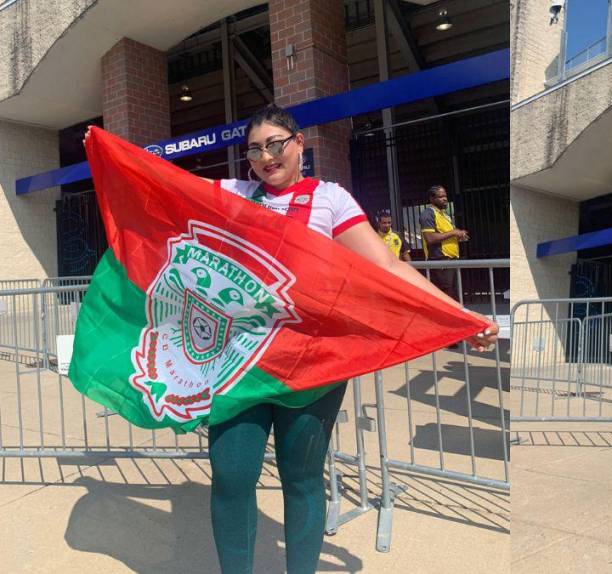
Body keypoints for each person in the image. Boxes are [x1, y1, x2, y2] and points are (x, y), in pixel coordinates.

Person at [88, 105, 497, 574]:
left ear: (299, 144)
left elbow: (387, 267)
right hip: (238, 365)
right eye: (256, 149)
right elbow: (159, 185)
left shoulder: (331, 200)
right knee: (232, 476)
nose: (266, 156)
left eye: (276, 143)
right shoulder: (233, 195)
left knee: (301, 479)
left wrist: (459, 313)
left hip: (309, 369)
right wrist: (107, 148)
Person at [419, 185, 467, 302]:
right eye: (440, 196)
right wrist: (453, 232)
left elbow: (446, 235)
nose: (444, 198)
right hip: (440, 260)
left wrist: (458, 236)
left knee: (454, 293)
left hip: (452, 260)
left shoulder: (445, 216)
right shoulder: (428, 214)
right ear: (432, 199)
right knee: (446, 294)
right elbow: (430, 238)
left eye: (445, 196)